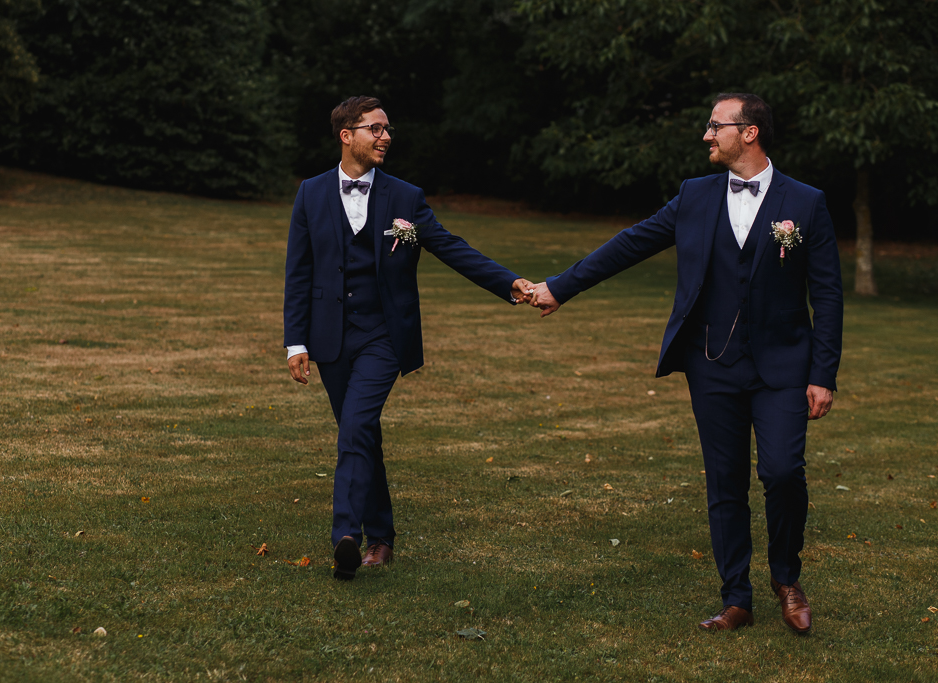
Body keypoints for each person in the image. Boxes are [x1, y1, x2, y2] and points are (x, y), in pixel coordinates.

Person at [529, 93, 843, 633]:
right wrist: (561, 287)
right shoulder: (694, 196)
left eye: (715, 126)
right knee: (725, 480)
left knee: (783, 472)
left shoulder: (807, 202)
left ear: (749, 133)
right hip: (712, 364)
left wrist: (822, 373)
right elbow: (631, 244)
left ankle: (786, 577)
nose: (706, 135)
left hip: (784, 367)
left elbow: (829, 294)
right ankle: (736, 597)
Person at [283, 96, 534, 581]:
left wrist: (509, 282)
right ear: (346, 135)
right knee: (361, 433)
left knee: (354, 426)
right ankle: (381, 536)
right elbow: (299, 272)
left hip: (383, 336)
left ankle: (345, 536)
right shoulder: (310, 193)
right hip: (329, 337)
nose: (385, 137)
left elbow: (451, 248)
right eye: (375, 129)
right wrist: (296, 342)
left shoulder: (405, 198)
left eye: (388, 129)